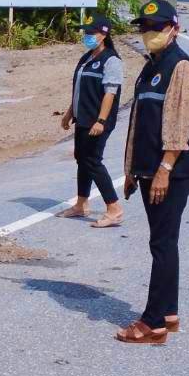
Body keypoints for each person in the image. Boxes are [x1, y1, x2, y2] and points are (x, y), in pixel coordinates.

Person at [116, 0, 189, 346]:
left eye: (156, 28)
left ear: (174, 29)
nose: (148, 33)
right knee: (164, 242)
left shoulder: (181, 67)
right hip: (150, 168)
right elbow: (141, 121)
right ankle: (168, 311)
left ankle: (153, 323)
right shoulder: (152, 66)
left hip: (173, 170)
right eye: (144, 28)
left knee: (162, 244)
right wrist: (131, 169)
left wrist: (165, 169)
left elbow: (179, 127)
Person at [59, 17, 124, 228]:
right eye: (85, 32)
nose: (87, 36)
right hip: (83, 118)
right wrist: (70, 113)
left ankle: (114, 208)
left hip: (98, 121)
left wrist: (101, 120)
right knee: (82, 159)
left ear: (104, 34)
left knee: (93, 161)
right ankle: (81, 204)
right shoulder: (87, 58)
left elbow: (110, 93)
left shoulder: (111, 60)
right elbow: (80, 89)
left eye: (91, 33)